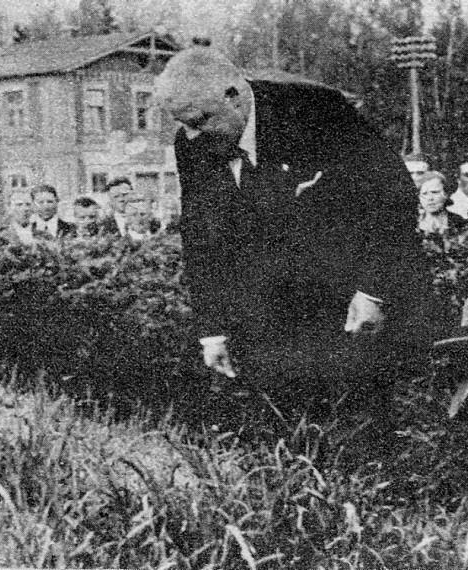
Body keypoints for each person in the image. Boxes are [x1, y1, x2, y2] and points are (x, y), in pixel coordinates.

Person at [153, 46, 430, 432]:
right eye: (184, 124)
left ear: (233, 95)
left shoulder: (316, 111)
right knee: (284, 437)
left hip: (349, 309)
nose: (192, 135)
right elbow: (202, 237)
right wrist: (212, 330)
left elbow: (393, 196)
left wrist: (374, 291)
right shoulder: (193, 143)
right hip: (268, 324)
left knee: (358, 429)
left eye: (200, 120)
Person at [416, 171, 465, 236]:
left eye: (435, 192)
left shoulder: (459, 222)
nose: (430, 198)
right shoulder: (413, 224)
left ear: (446, 194)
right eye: (424, 194)